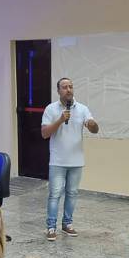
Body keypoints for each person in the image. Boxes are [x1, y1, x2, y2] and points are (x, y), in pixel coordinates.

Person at [41, 77, 99, 241]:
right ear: (58, 91)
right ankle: (51, 227)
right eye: (65, 87)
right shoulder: (51, 109)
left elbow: (94, 129)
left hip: (76, 161)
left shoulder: (82, 109)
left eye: (71, 87)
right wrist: (60, 120)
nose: (68, 90)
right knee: (55, 194)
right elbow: (44, 134)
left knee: (72, 193)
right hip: (58, 161)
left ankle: (67, 224)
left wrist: (92, 124)